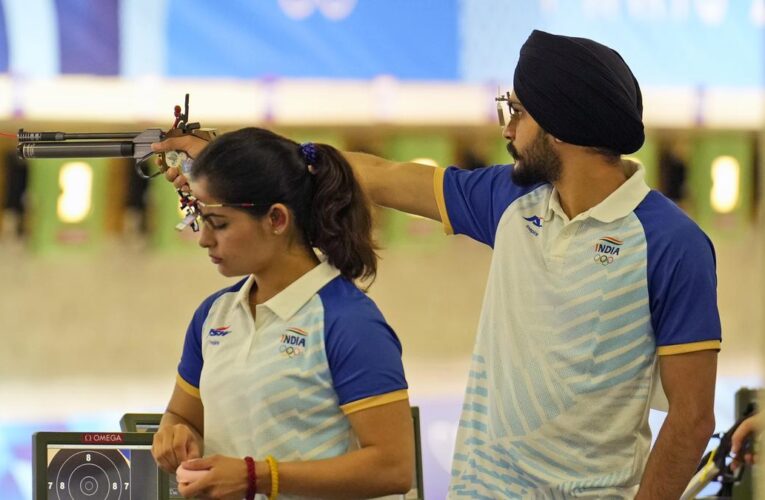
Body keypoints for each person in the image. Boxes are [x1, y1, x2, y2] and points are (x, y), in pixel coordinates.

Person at [156, 30, 721, 499]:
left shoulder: (672, 244)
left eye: (517, 113)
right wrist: (231, 156)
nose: (505, 129)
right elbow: (378, 175)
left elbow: (693, 418)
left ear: (559, 124)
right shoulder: (512, 201)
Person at [150, 127, 414, 499]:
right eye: (200, 220)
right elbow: (184, 417)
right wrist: (173, 434)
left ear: (276, 219)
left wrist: (256, 477)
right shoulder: (214, 314)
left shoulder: (349, 321)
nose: (204, 239)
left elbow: (392, 467)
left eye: (219, 223)